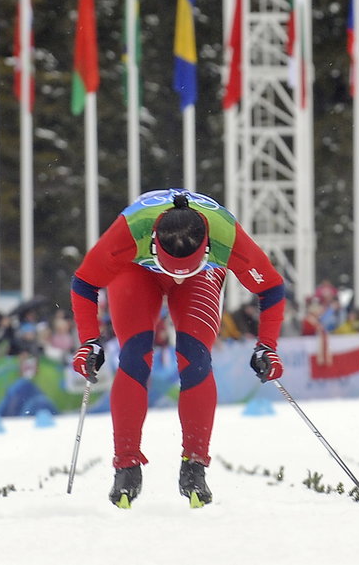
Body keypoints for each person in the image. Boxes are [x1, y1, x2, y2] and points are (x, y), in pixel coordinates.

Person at [69, 189, 285, 508]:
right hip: (137, 270)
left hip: (204, 273)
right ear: (155, 243)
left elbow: (271, 287)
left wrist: (267, 346)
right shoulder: (129, 232)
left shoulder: (228, 236)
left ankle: (195, 465)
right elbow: (84, 282)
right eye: (169, 266)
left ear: (208, 244)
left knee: (195, 357)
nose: (175, 277)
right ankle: (126, 466)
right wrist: (89, 341)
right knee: (134, 355)